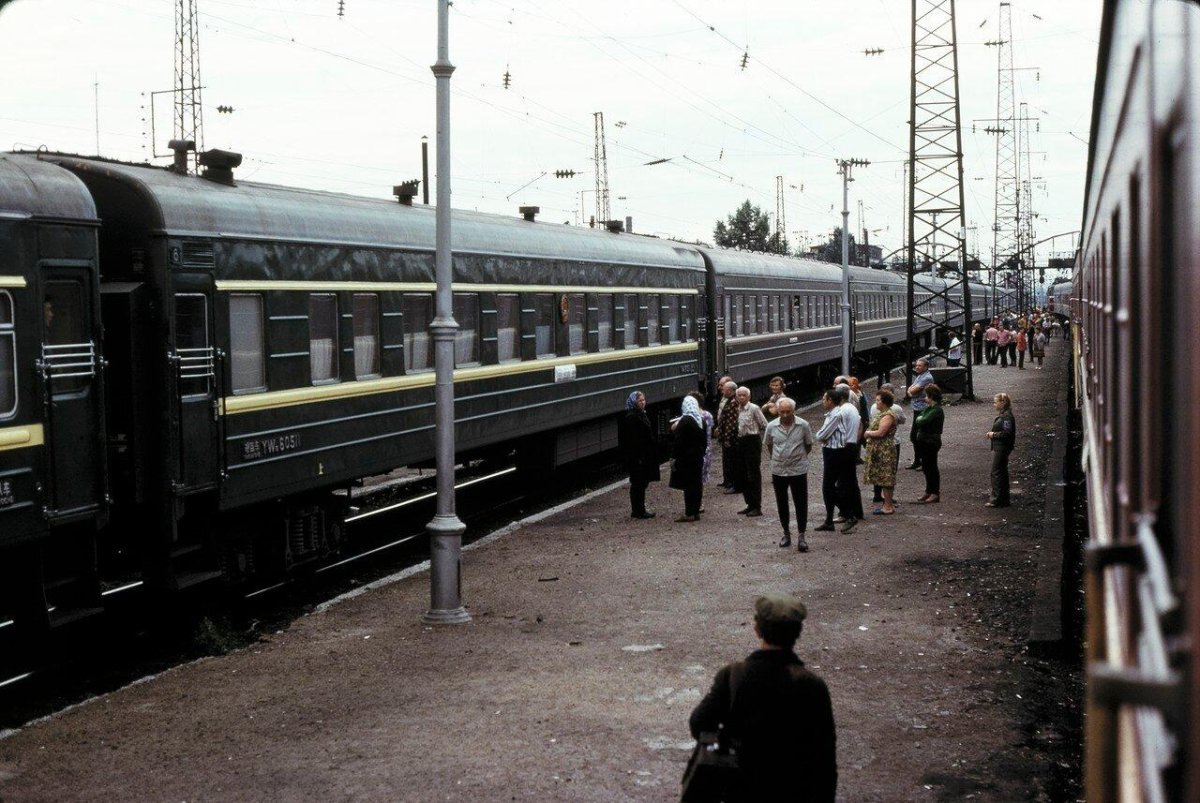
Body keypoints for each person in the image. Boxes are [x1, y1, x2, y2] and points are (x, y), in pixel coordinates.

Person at [688, 594, 837, 802]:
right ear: (798, 633)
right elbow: (824, 758)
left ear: (757, 629)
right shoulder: (812, 685)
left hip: (738, 789)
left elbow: (699, 723)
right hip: (792, 790)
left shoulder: (733, 675)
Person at [764, 397, 814, 551]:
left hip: (798, 469)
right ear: (778, 411)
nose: (785, 415)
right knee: (782, 502)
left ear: (793, 411)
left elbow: (808, 445)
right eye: (782, 412)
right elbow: (769, 446)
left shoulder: (803, 425)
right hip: (779, 470)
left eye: (788, 412)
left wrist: (797, 458)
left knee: (801, 502)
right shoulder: (771, 426)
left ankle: (801, 535)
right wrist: (779, 459)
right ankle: (786, 533)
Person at [617, 391, 659, 519]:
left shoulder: (641, 415)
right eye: (640, 401)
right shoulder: (632, 418)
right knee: (638, 483)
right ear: (634, 403)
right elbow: (633, 440)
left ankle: (639, 509)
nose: (643, 402)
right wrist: (638, 456)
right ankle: (638, 510)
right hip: (637, 457)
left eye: (644, 400)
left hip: (642, 455)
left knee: (641, 482)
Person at [669, 396, 707, 522]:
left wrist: (673, 457)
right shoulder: (701, 420)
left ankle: (689, 512)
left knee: (688, 486)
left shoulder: (685, 421)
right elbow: (705, 441)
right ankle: (696, 512)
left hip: (686, 459)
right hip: (698, 457)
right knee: (697, 484)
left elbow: (678, 442)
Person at [834, 385, 865, 531]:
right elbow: (860, 424)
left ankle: (847, 513)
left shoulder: (841, 411)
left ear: (839, 397)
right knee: (851, 482)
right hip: (852, 445)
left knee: (841, 484)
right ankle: (857, 511)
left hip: (844, 447)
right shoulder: (852, 408)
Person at [863, 389, 898, 515]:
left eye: (878, 400)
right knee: (884, 477)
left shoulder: (887, 415)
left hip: (885, 450)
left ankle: (888, 506)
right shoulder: (883, 413)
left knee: (886, 476)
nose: (876, 402)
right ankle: (887, 504)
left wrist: (868, 433)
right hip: (881, 448)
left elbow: (881, 432)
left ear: (884, 402)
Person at [735, 386, 768, 517]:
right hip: (741, 441)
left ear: (748, 397)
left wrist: (762, 441)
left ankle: (757, 506)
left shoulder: (754, 408)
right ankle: (749, 503)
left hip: (752, 441)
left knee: (753, 474)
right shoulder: (737, 409)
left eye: (744, 395)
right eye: (739, 395)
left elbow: (765, 424)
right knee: (742, 473)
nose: (741, 397)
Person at [814, 390, 843, 533]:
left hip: (833, 452)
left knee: (828, 487)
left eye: (824, 398)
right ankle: (832, 518)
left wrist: (821, 436)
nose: (822, 400)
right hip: (831, 451)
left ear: (830, 400)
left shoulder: (836, 415)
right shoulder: (832, 414)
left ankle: (846, 512)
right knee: (829, 486)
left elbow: (822, 435)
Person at [911, 384, 945, 504]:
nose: (925, 397)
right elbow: (920, 418)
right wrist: (920, 419)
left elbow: (922, 420)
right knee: (926, 466)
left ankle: (934, 492)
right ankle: (929, 490)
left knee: (931, 467)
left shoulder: (936, 410)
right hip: (924, 441)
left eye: (926, 395)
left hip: (931, 441)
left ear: (931, 397)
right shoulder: (929, 409)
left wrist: (920, 420)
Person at [872, 383, 906, 504]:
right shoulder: (896, 409)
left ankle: (877, 494)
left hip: (877, 444)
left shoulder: (873, 408)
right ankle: (888, 499)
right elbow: (903, 420)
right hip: (892, 442)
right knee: (890, 471)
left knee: (878, 469)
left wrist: (868, 433)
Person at [986, 392, 1017, 507]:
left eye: (995, 402)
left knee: (996, 472)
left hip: (1002, 447)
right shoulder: (1006, 415)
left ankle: (996, 499)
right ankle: (1004, 499)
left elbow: (1007, 434)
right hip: (1002, 447)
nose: (994, 405)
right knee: (1002, 472)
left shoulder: (1006, 416)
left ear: (1002, 403)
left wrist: (993, 434)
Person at [905, 357, 934, 470]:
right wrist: (910, 391)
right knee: (915, 436)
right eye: (916, 365)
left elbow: (911, 391)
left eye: (919, 365)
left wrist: (910, 391)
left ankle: (922, 461)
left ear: (926, 366)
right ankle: (918, 460)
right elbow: (910, 390)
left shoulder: (926, 377)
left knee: (920, 436)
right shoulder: (920, 376)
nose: (917, 367)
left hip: (923, 409)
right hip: (917, 409)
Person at [715, 380, 741, 495]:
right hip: (729, 437)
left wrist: (726, 439)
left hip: (731, 439)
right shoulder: (730, 400)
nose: (722, 390)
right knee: (730, 460)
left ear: (730, 390)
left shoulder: (733, 402)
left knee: (733, 462)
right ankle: (730, 483)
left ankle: (734, 485)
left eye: (724, 389)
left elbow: (731, 423)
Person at [689, 391, 715, 487]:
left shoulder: (691, 417)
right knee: (701, 476)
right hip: (706, 448)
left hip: (696, 449)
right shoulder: (708, 415)